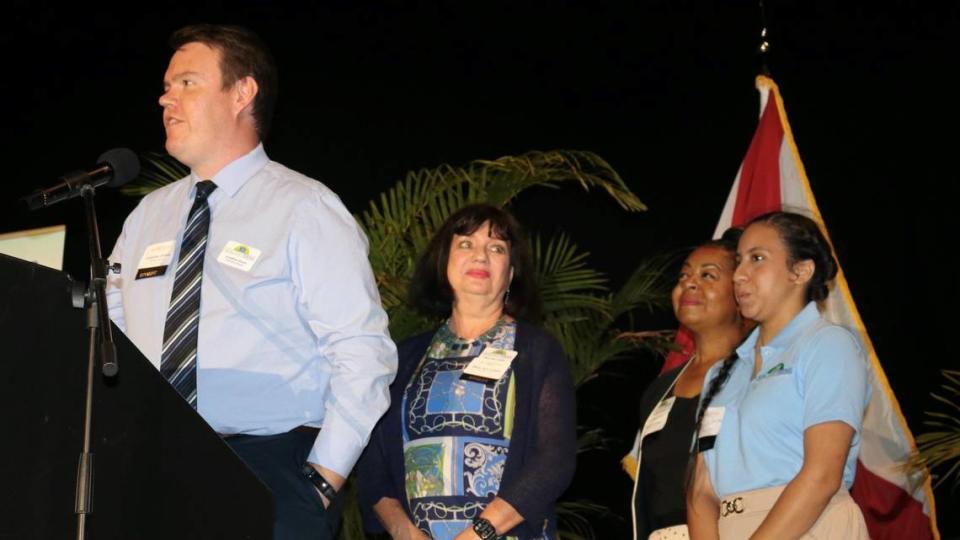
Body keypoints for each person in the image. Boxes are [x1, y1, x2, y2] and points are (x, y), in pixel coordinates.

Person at [105, 24, 397, 540]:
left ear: (242, 93)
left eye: (187, 83)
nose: (165, 97)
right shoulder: (147, 217)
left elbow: (362, 351)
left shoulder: (304, 207)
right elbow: (112, 338)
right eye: (167, 85)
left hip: (270, 467)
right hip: (154, 465)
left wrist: (322, 479)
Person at [358, 204, 576, 540]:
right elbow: (374, 468)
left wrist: (480, 533)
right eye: (466, 244)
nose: (480, 256)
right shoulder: (404, 358)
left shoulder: (537, 351)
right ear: (444, 261)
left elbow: (554, 460)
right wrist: (403, 531)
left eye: (496, 248)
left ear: (512, 272)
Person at [686, 211, 870, 539]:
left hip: (808, 525)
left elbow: (822, 476)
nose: (739, 275)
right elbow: (700, 493)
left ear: (801, 271)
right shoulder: (721, 374)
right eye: (739, 261)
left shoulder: (827, 345)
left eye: (757, 259)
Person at [625, 230, 745, 540]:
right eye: (684, 276)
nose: (689, 283)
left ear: (742, 291)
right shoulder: (659, 390)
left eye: (708, 276)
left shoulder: (757, 376)